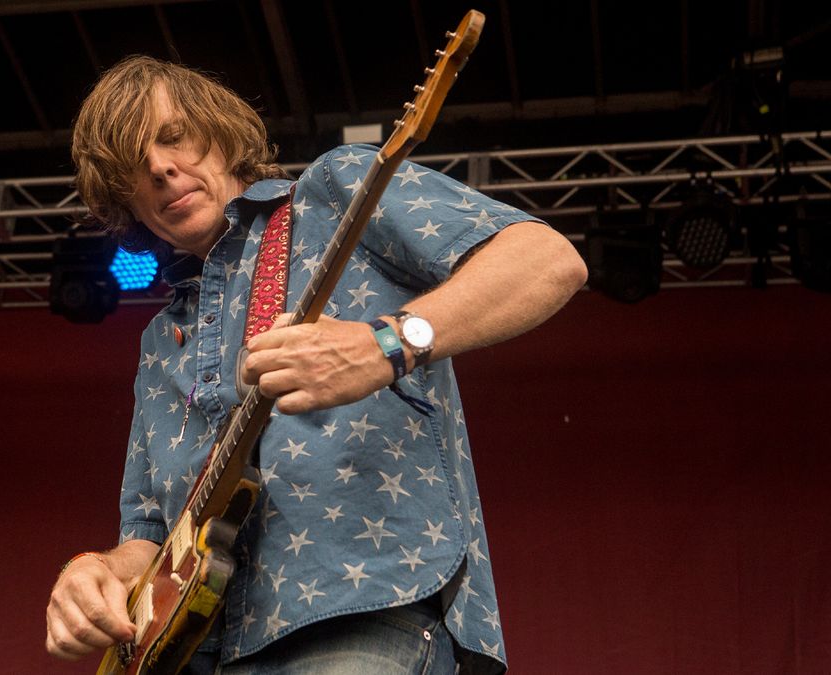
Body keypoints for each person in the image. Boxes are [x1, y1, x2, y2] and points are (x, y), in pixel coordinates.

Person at [46, 55, 587, 674]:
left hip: (359, 609)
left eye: (173, 138)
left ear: (220, 133)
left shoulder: (334, 191)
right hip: (198, 654)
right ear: (123, 200)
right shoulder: (158, 342)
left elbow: (547, 259)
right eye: (134, 169)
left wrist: (387, 343)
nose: (163, 170)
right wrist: (93, 571)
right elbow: (149, 537)